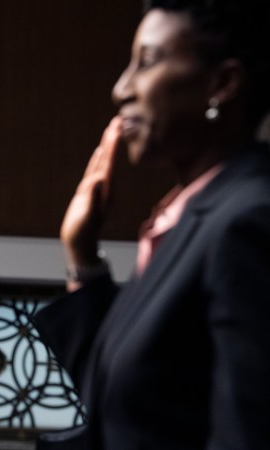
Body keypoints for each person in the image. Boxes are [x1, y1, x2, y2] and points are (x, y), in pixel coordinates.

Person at [34, 0, 270, 448]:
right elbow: (132, 407)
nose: (121, 89)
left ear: (222, 83)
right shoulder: (187, 221)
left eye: (147, 62)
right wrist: (82, 256)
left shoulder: (249, 222)